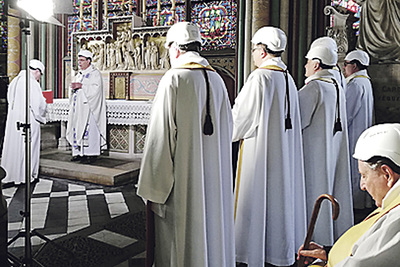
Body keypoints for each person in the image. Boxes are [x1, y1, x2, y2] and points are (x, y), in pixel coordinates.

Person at [137, 22, 235, 267]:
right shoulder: (218, 80)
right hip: (215, 180)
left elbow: (160, 139)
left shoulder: (174, 79)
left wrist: (153, 187)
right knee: (212, 229)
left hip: (183, 183)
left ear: (176, 49)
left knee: (183, 238)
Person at [232, 26, 307, 267]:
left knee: (256, 200)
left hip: (260, 154)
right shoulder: (288, 77)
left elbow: (239, 121)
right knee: (278, 200)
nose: (253, 53)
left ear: (263, 51)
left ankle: (252, 252)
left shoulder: (260, 77)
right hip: (283, 156)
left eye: (254, 49)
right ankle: (277, 251)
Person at [298, 123, 400, 267]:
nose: (362, 186)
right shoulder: (393, 200)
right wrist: (330, 254)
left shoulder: (397, 219)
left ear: (387, 174)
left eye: (364, 176)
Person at [299, 45, 354, 245]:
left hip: (313, 153)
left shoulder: (314, 87)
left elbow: (298, 120)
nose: (305, 66)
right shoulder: (336, 85)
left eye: (307, 62)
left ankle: (314, 237)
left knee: (314, 190)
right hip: (331, 149)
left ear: (316, 64)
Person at [1, 59, 47, 186]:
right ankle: (28, 175)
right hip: (29, 120)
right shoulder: (31, 83)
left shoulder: (15, 80)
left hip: (14, 121)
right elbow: (38, 105)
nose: (39, 79)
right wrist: (45, 107)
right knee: (28, 147)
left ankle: (13, 174)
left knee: (15, 147)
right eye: (40, 75)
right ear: (37, 71)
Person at [343, 50, 374, 210]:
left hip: (353, 134)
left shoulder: (355, 84)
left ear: (354, 66)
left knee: (353, 171)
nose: (344, 68)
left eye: (346, 64)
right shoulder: (365, 82)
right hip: (361, 132)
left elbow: (346, 113)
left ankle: (354, 205)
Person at [66, 49, 106, 163]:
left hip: (89, 108)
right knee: (76, 128)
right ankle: (78, 152)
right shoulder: (79, 74)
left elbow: (96, 90)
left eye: (82, 60)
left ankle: (90, 154)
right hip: (77, 108)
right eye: (79, 60)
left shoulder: (95, 74)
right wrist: (73, 88)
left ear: (89, 61)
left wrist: (82, 86)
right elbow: (76, 88)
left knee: (89, 130)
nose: (80, 63)